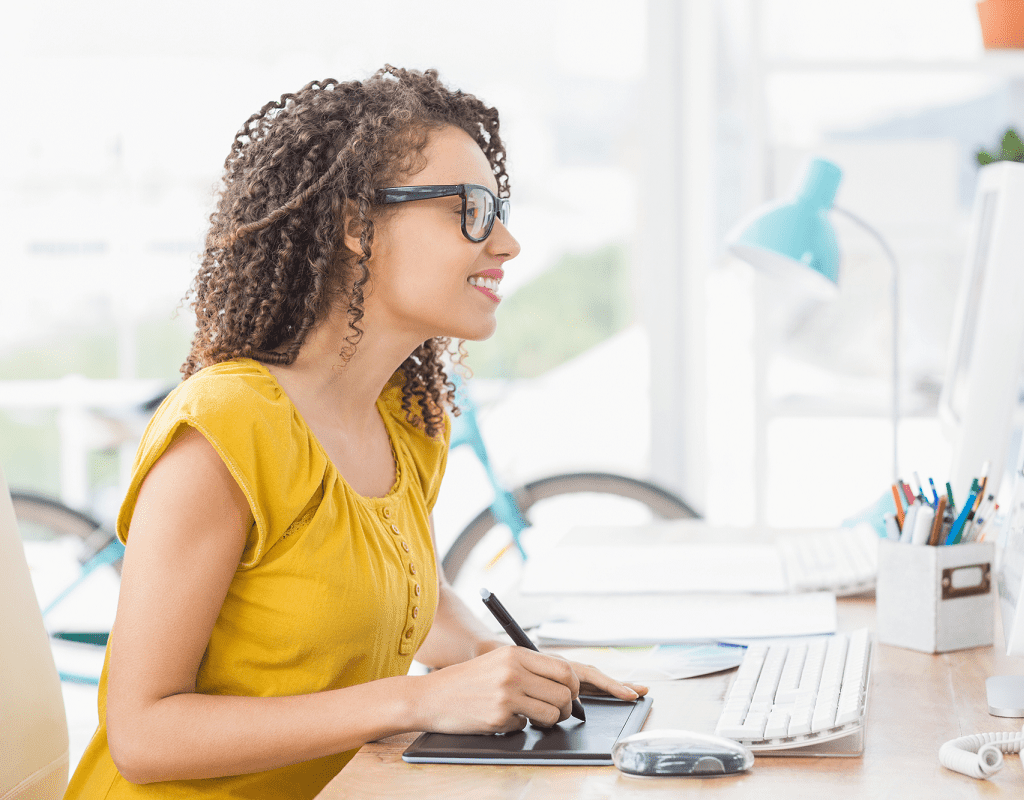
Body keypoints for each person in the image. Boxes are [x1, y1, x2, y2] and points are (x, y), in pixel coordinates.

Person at [64, 65, 647, 799]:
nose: (505, 243)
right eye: (468, 209)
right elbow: (144, 736)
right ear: (353, 225)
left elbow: (409, 594)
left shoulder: (406, 419)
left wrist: (502, 663)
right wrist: (417, 701)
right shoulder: (225, 429)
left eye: (497, 209)